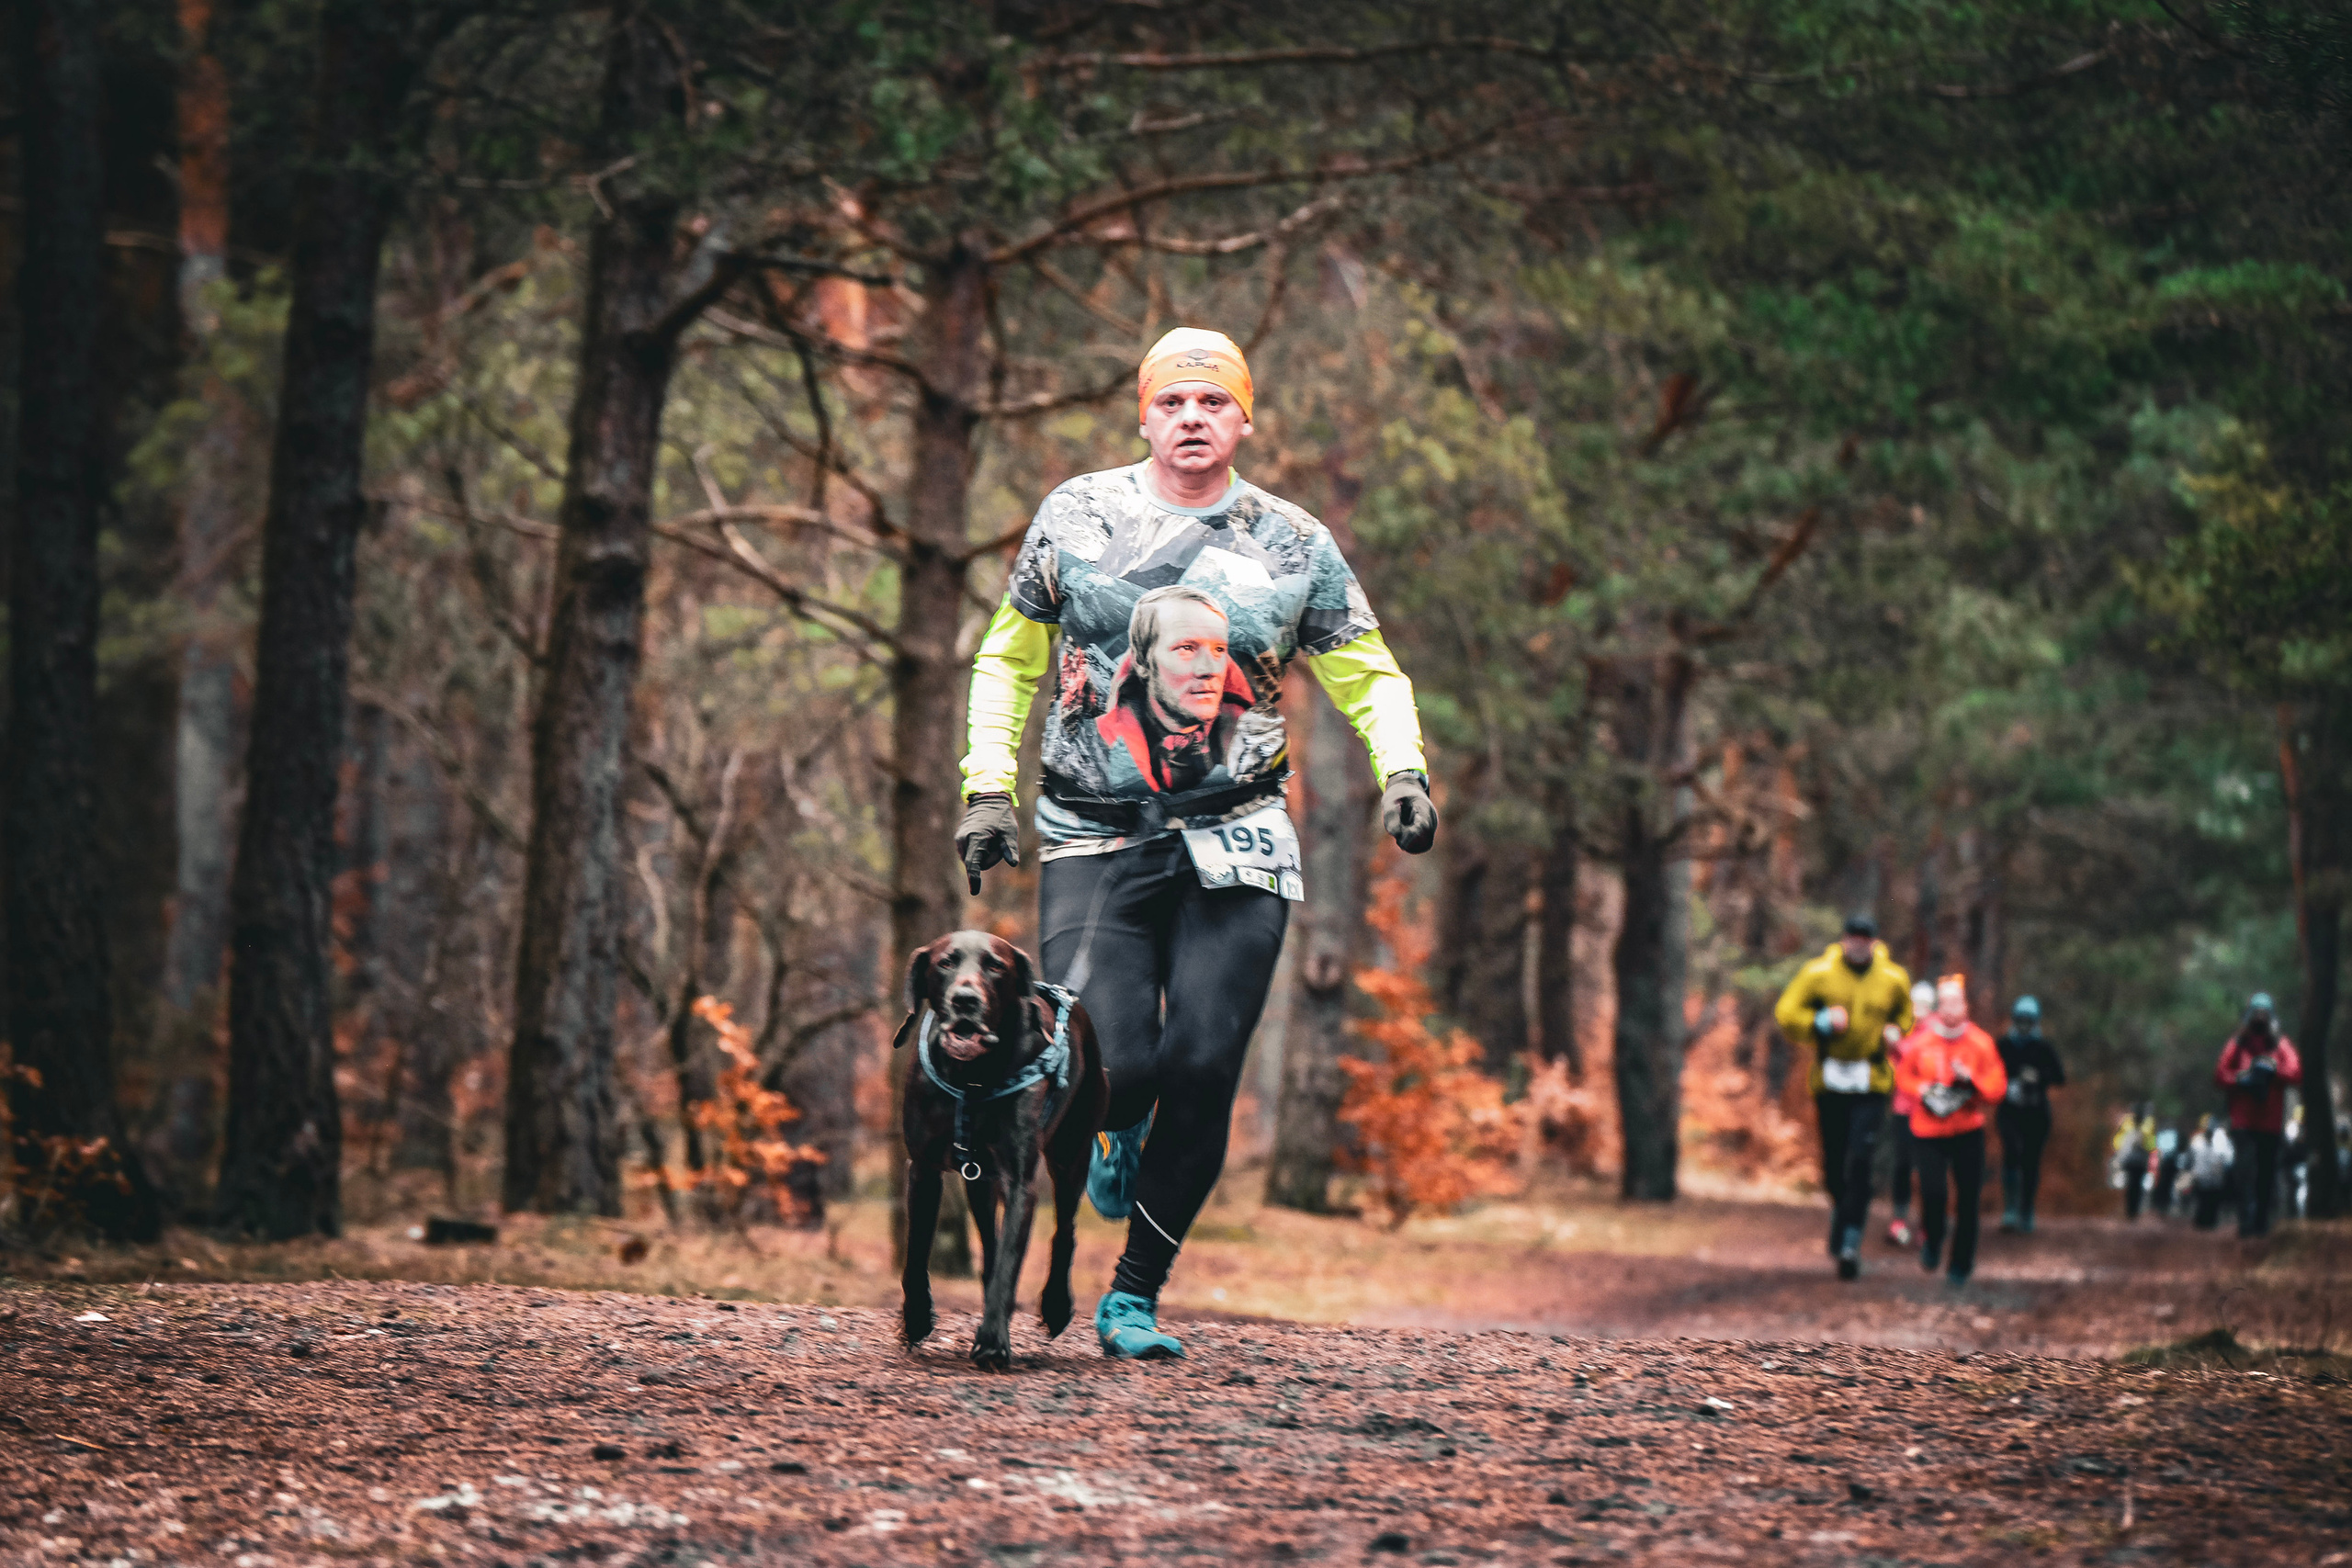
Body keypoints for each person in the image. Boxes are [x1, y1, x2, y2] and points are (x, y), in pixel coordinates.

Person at [956, 328, 1435, 1360]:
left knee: (1207, 1059)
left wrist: (1402, 769)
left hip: (1240, 834)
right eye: (1172, 402)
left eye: (1212, 403)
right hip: (1093, 832)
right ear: (1142, 414)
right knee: (1114, 1065)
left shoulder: (1292, 542)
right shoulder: (1077, 516)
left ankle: (1135, 1295)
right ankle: (1119, 1131)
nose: (1190, 419)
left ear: (1244, 419)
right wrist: (986, 789)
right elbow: (1007, 658)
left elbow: (1367, 668)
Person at [1774, 915, 1916, 1280]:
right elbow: (1787, 1013)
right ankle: (1841, 1210)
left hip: (1871, 1079)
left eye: (1864, 939)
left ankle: (1851, 1239)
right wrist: (1819, 1022)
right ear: (1843, 940)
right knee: (1834, 1161)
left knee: (1861, 1157)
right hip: (1831, 1077)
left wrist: (1896, 1032)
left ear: (1874, 942)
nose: (1858, 944)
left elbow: (1908, 1017)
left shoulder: (1893, 979)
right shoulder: (1819, 973)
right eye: (1852, 938)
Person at [1893, 974, 2007, 1287]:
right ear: (1937, 1007)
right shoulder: (1923, 1043)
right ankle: (1933, 1239)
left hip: (1967, 1130)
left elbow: (1997, 1088)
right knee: (1933, 1192)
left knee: (1968, 1199)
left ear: (1966, 1005)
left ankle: (1961, 1263)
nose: (1950, 1008)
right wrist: (1924, 1090)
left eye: (1956, 1001)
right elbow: (1903, 1077)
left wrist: (1971, 1081)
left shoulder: (1981, 1043)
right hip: (1928, 1130)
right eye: (1944, 1002)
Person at [2216, 992, 2301, 1238]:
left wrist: (2272, 1071)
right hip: (2243, 1122)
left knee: (2266, 1173)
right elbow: (2220, 1074)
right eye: (2256, 1014)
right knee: (2245, 1171)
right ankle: (2246, 1220)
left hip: (2271, 1123)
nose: (2260, 1019)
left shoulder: (2279, 1044)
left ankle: (2261, 1222)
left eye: (2264, 1014)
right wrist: (2242, 1079)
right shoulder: (2238, 1043)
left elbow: (2296, 1072)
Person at [1994, 994, 2066, 1234]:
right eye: (2021, 1020)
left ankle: (2026, 1210)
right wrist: (2009, 1080)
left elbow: (2059, 1077)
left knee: (2031, 1162)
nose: (2024, 1025)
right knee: (2011, 1153)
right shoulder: (2004, 1045)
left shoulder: (2043, 1047)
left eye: (2029, 1020)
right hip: (2009, 1110)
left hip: (2036, 1112)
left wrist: (2038, 1077)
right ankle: (2010, 1209)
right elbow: (1991, 1071)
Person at [1885, 978, 1937, 1249]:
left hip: (1928, 1111)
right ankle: (1899, 1221)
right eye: (1915, 1003)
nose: (1920, 1008)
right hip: (1903, 1108)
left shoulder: (1935, 1031)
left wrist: (1898, 1046)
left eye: (1924, 1003)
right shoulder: (1907, 1028)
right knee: (1902, 1165)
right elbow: (1899, 1067)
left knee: (1929, 1168)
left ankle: (1929, 1224)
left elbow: (1920, 1060)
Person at [2187, 1114, 2234, 1230]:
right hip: (2202, 1179)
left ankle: (2208, 1224)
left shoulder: (2220, 1141)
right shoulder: (2197, 1142)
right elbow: (2191, 1159)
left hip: (2214, 1180)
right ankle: (2201, 1224)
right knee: (2202, 1203)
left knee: (2211, 1204)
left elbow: (2227, 1160)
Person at [2113, 1105, 2156, 1220]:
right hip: (2133, 1161)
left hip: (2136, 1162)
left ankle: (2132, 1211)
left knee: (2134, 1186)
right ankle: (2130, 1210)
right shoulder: (2131, 1125)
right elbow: (2118, 1140)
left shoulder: (2143, 1126)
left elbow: (2151, 1145)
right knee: (2132, 1186)